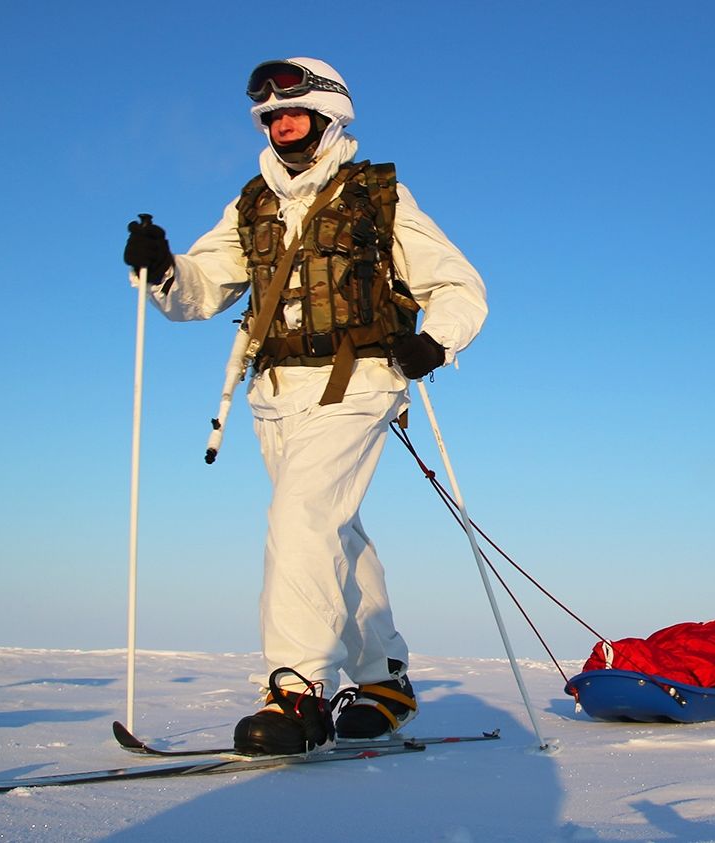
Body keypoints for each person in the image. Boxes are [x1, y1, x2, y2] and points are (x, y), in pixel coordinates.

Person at [122, 58, 487, 755]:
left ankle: (297, 691)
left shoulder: (378, 196)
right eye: (270, 116)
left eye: (295, 112)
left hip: (359, 382)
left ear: (329, 117)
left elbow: (461, 285)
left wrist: (434, 343)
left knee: (302, 517)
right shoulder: (251, 203)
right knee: (332, 533)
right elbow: (200, 289)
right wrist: (163, 267)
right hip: (275, 393)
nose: (281, 123)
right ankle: (384, 680)